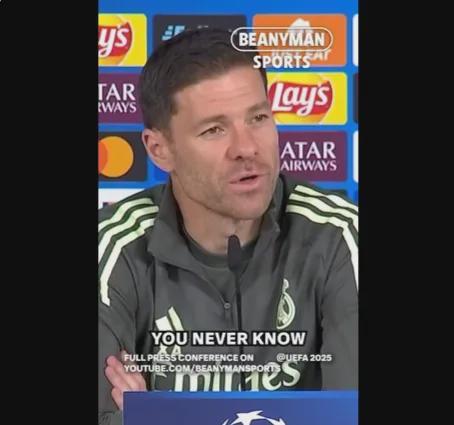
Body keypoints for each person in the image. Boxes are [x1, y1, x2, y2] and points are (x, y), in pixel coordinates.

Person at [98, 28, 358, 425]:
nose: (247, 147)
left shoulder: (340, 235)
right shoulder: (111, 247)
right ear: (159, 150)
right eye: (214, 130)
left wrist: (159, 417)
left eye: (258, 117)